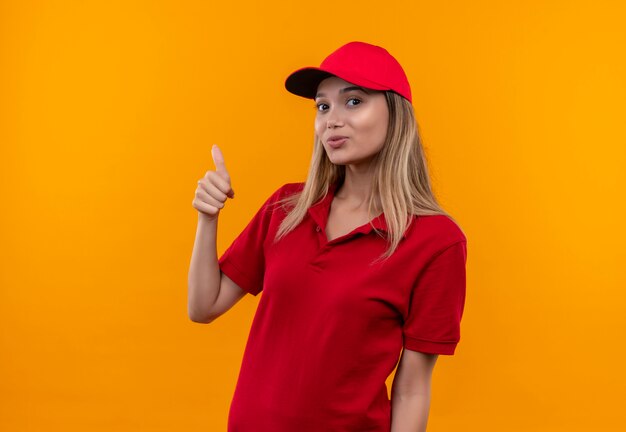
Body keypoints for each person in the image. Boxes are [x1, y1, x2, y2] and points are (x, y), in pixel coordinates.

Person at [188, 41, 467, 432]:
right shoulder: (286, 207)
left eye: (354, 102)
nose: (331, 120)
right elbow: (204, 306)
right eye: (323, 106)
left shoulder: (436, 242)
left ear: (396, 113)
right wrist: (207, 218)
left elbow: (412, 389)